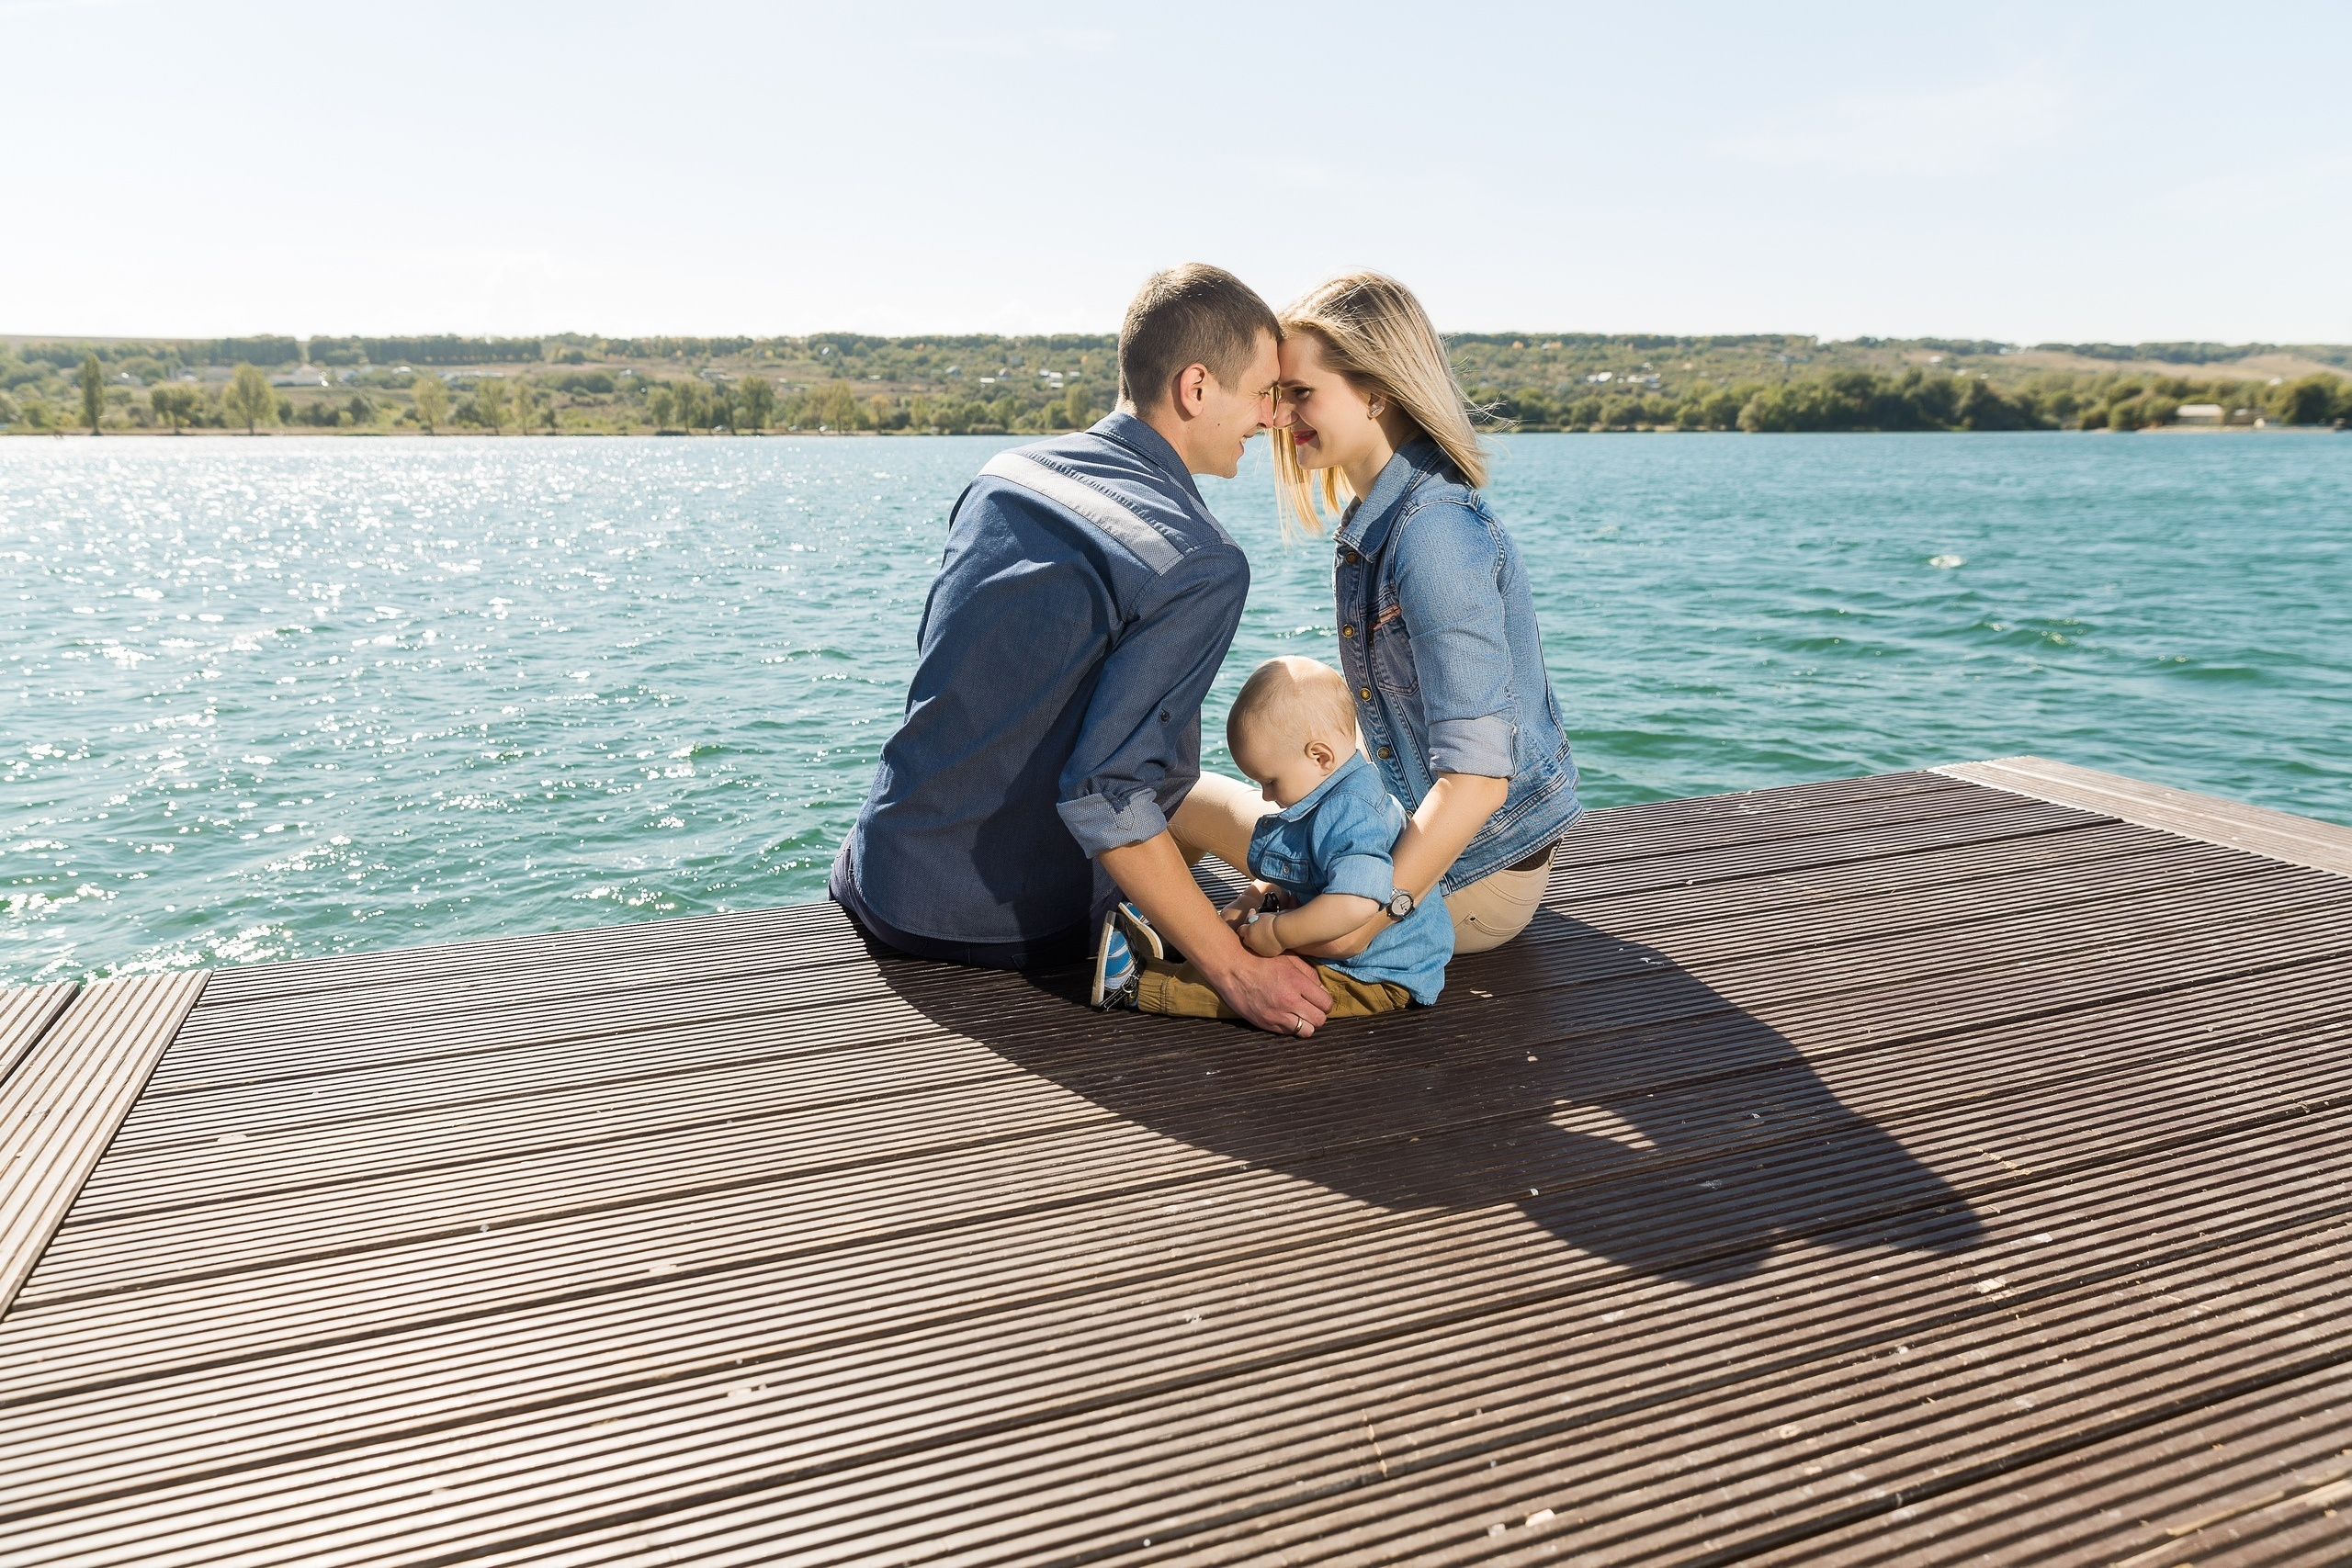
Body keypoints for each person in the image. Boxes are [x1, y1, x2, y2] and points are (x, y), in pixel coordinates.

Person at [831, 264, 1337, 1036]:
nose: (1272, 418)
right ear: (1196, 387)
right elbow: (1105, 792)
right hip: (1002, 921)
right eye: (1263, 393)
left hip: (883, 876)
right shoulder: (1199, 559)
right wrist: (1237, 972)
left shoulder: (1004, 475)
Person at [1173, 271, 1582, 962]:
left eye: (1300, 393)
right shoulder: (1387, 522)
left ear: (1376, 392)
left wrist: (1369, 917)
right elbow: (1381, 747)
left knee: (1176, 798)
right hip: (1426, 856)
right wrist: (1277, 880)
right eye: (1276, 396)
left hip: (1470, 884)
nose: (1278, 418)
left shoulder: (1433, 535)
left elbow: (1479, 781)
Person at [1102, 656, 1450, 1019]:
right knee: (1253, 947)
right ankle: (1176, 944)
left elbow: (1355, 905)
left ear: (1320, 756)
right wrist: (1253, 897)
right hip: (1347, 952)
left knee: (1285, 990)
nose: (1266, 796)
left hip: (1374, 974)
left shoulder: (1354, 813)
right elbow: (1308, 867)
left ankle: (1138, 987)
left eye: (1270, 781)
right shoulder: (1330, 792)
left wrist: (1280, 933)